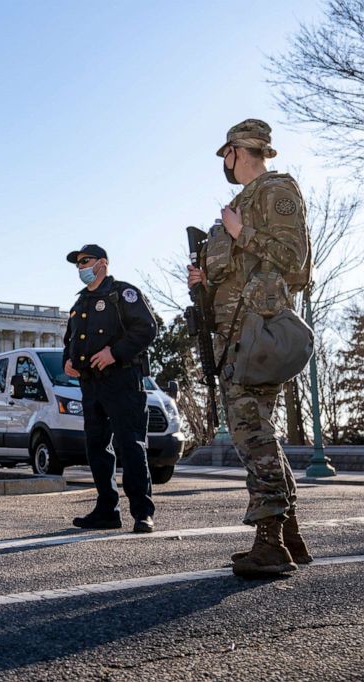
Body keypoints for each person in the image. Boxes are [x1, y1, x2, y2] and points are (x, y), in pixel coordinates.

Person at [188, 119, 312, 578]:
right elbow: (234, 271)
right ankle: (288, 535)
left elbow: (291, 255)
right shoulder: (237, 206)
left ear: (242, 151)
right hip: (233, 336)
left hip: (260, 331)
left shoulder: (277, 189)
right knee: (258, 430)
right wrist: (205, 278)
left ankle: (271, 542)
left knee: (251, 433)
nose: (224, 162)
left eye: (227, 153)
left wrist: (241, 234)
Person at [63, 244, 158, 533]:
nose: (81, 267)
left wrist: (114, 353)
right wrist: (68, 360)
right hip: (91, 383)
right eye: (78, 263)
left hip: (122, 380)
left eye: (85, 261)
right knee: (96, 448)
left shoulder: (122, 294)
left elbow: (147, 329)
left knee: (130, 445)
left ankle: (142, 512)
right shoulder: (79, 304)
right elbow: (71, 340)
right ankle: (107, 510)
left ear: (102, 263)